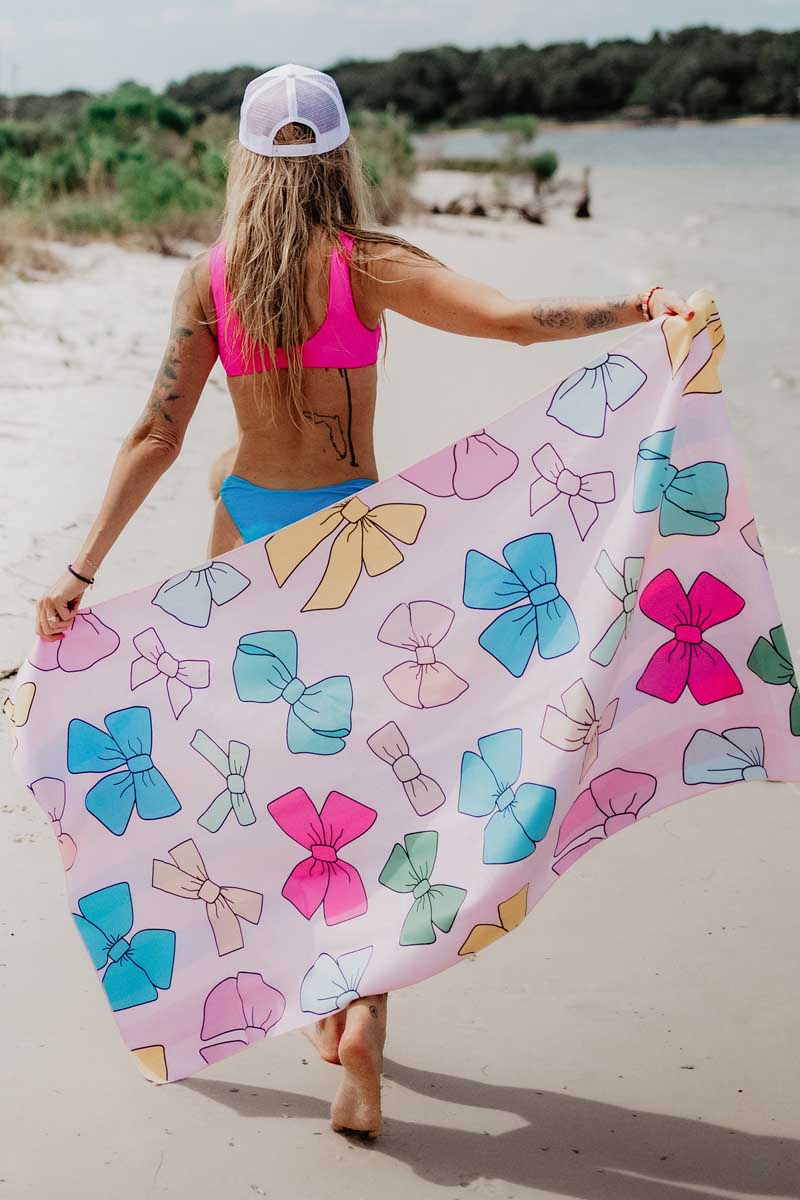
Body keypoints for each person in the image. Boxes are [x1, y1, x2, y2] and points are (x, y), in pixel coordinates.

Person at [34, 63, 693, 1138]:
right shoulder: (363, 263)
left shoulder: (211, 282)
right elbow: (513, 324)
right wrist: (637, 306)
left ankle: (313, 991)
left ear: (246, 163)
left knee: (257, 770)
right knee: (374, 796)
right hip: (349, 543)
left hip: (248, 530)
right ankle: (362, 1025)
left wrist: (79, 575)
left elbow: (155, 433)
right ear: (337, 155)